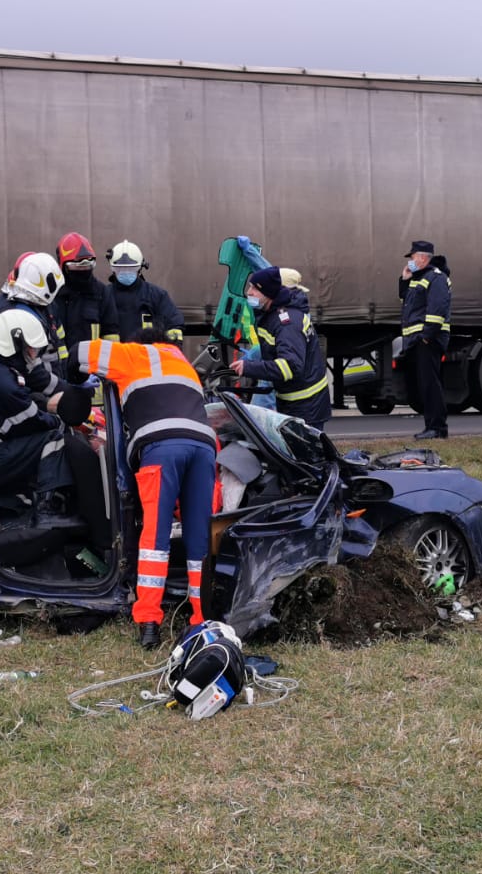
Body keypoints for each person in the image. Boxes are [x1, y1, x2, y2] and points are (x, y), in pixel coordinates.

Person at [74, 329, 217, 648]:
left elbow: (78, 351)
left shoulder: (132, 354)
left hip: (161, 447)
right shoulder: (183, 362)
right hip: (204, 447)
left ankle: (149, 621)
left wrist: (70, 380)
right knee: (198, 536)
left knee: (154, 535)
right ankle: (200, 619)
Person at [0, 309, 110, 550]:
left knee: (26, 478)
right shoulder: (3, 382)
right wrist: (62, 417)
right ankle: (49, 511)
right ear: (14, 343)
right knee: (54, 440)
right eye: (31, 349)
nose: (34, 355)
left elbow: (25, 402)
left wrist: (46, 404)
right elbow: (36, 422)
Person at [230, 267, 331, 431]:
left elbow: (290, 367)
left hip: (306, 407)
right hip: (296, 402)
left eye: (254, 288)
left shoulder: (287, 323)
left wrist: (250, 367)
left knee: (305, 456)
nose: (249, 292)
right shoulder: (272, 315)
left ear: (268, 293)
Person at [0, 251, 68, 397]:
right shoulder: (15, 315)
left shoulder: (38, 305)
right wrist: (66, 390)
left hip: (44, 387)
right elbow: (31, 370)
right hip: (26, 392)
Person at [398, 239, 451, 439]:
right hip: (417, 341)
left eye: (412, 257)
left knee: (431, 385)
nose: (410, 261)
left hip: (428, 340)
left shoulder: (435, 278)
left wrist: (426, 337)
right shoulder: (418, 278)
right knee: (423, 385)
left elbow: (437, 310)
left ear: (422, 258)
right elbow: (407, 303)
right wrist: (404, 279)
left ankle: (437, 428)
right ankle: (431, 426)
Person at [51, 232, 120, 381]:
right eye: (77, 265)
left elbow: (111, 337)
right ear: (63, 266)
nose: (83, 270)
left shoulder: (102, 293)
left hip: (93, 376)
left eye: (88, 265)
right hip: (58, 377)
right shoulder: (52, 294)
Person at [106, 239, 184, 342]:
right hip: (116, 357)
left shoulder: (157, 296)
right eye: (120, 269)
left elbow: (174, 324)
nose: (126, 272)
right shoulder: (104, 296)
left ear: (140, 268)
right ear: (112, 269)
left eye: (131, 269)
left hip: (148, 357)